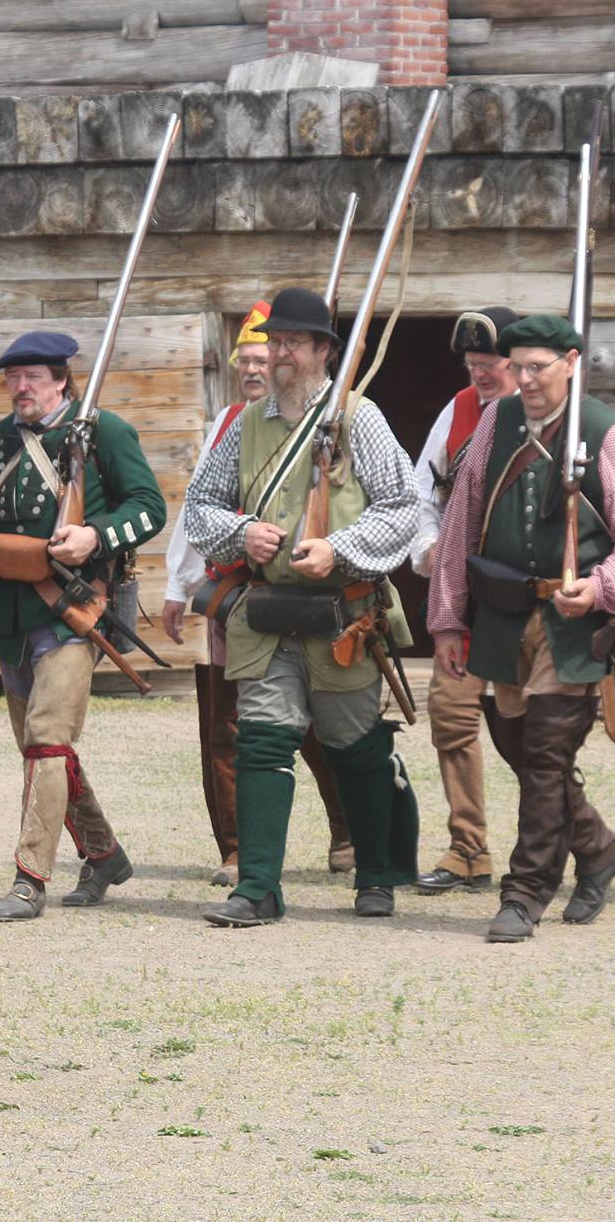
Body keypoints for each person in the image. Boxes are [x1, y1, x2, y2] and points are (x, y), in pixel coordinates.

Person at [183, 287, 420, 928]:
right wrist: (241, 535)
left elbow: (404, 508)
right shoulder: (246, 424)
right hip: (267, 613)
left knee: (354, 746)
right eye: (274, 341)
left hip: (343, 613)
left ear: (323, 352)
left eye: (293, 343)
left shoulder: (359, 418)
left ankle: (376, 873)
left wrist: (339, 548)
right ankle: (258, 887)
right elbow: (199, 506)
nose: (280, 353)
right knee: (261, 741)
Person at [0, 330, 165, 922]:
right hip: (10, 619)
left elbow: (149, 506)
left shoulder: (105, 431)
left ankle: (31, 879)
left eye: (31, 376)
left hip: (76, 612)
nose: (20, 386)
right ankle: (103, 854)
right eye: (12, 376)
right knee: (42, 749)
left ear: (61, 380)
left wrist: (96, 534)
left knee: (47, 739)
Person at [426, 314, 615, 942]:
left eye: (538, 367)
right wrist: (447, 619)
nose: (525, 380)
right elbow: (458, 525)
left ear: (572, 364)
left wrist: (602, 586)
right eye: (518, 367)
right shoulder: (494, 424)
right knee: (521, 752)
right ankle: (600, 849)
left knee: (547, 757)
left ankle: (524, 893)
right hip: (504, 621)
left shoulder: (606, 435)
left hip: (572, 627)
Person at [162, 302, 349, 887]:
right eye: (245, 358)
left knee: (319, 727)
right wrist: (176, 585)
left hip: (304, 595)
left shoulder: (328, 420)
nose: (253, 367)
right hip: (234, 598)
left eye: (263, 356)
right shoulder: (229, 424)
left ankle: (348, 832)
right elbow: (199, 508)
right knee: (225, 727)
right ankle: (239, 851)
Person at [407, 306, 518, 896]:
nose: (479, 374)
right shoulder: (457, 410)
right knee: (451, 719)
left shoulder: (548, 416)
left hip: (523, 605)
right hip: (464, 602)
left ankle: (571, 843)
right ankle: (468, 849)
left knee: (530, 739)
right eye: (473, 364)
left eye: (490, 363)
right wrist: (427, 547)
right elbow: (424, 494)